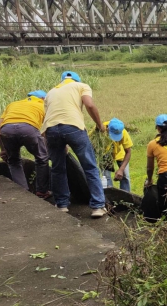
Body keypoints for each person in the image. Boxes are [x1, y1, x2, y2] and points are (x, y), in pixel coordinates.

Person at [42, 71, 107, 218]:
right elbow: (89, 104)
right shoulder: (81, 86)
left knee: (58, 168)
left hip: (51, 130)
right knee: (90, 167)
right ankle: (98, 206)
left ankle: (61, 205)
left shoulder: (50, 92)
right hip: (73, 127)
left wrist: (57, 141)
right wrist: (100, 125)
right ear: (77, 80)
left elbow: (47, 117)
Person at [0, 90, 50, 198]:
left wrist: (3, 149)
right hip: (29, 129)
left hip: (7, 130)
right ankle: (42, 192)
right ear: (43, 98)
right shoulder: (43, 105)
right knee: (42, 158)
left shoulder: (13, 104)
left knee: (13, 161)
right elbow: (46, 129)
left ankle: (23, 193)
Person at [100, 118, 133, 192]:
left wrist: (121, 169)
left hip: (120, 153)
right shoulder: (100, 129)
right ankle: (109, 199)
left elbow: (128, 152)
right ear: (108, 129)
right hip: (105, 154)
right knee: (106, 177)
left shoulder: (123, 132)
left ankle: (126, 199)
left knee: (125, 176)